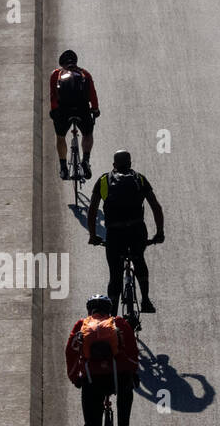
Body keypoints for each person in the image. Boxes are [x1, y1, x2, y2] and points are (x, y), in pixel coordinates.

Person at [66, 294, 140, 426]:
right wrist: (132, 372)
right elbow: (133, 352)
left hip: (92, 382)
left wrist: (76, 378)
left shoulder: (81, 325)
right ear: (109, 310)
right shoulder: (119, 323)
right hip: (116, 377)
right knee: (127, 388)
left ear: (90, 310)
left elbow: (71, 353)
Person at [87, 150, 164, 315]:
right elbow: (156, 207)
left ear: (114, 164)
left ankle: (112, 315)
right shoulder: (140, 179)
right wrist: (159, 233)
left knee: (115, 274)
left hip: (115, 234)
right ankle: (146, 301)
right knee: (139, 259)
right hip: (137, 231)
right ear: (130, 163)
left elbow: (92, 211)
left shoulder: (103, 180)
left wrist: (93, 236)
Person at [48, 49, 100, 180]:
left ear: (62, 64)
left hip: (63, 110)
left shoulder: (56, 74)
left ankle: (64, 168)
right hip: (82, 109)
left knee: (60, 137)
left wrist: (54, 111)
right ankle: (86, 161)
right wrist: (95, 109)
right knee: (87, 134)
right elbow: (92, 93)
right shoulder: (84, 74)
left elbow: (53, 96)